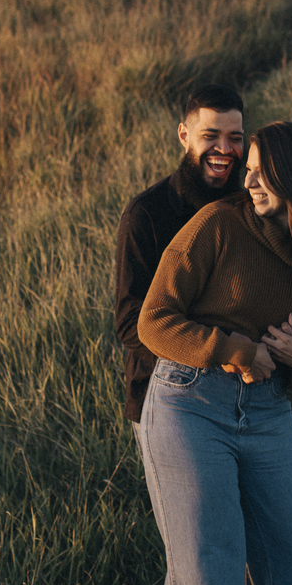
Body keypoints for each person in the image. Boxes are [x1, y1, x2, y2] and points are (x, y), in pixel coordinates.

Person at [136, 121, 292, 585]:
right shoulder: (219, 224)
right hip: (189, 402)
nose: (249, 181)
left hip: (269, 411)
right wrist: (236, 350)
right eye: (250, 170)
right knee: (209, 575)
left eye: (263, 172)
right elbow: (153, 319)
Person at [114, 84, 246, 424]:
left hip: (246, 396)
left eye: (235, 138)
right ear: (184, 135)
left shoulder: (250, 206)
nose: (224, 149)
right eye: (211, 136)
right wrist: (220, 350)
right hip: (166, 396)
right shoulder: (146, 214)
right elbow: (131, 325)